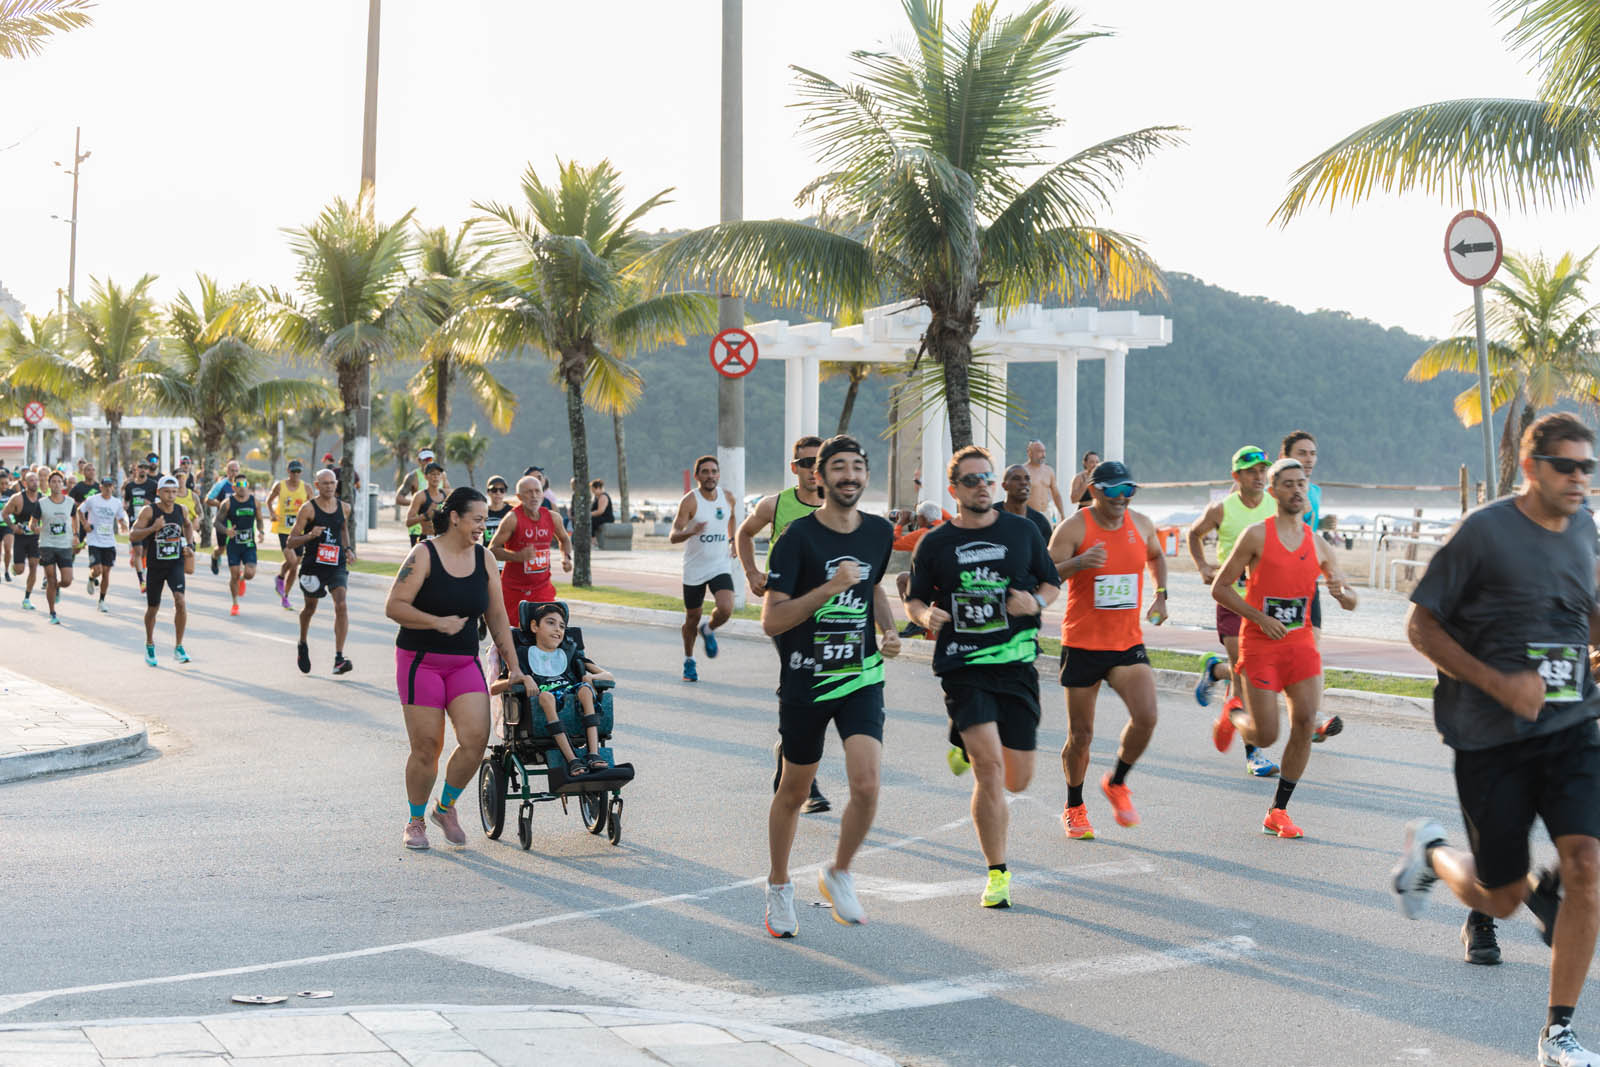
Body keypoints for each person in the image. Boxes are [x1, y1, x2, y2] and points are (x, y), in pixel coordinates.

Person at [1392, 415, 1600, 1055]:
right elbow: (1421, 627)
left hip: (1571, 726)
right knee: (1502, 898)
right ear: (1531, 468)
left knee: (1586, 865)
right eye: (1566, 466)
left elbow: (1586, 607)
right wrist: (1498, 683)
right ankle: (1431, 853)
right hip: (1490, 738)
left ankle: (1558, 1032)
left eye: (1588, 467)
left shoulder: (1584, 526)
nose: (1579, 479)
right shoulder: (1483, 532)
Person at [906, 445, 1060, 909]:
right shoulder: (935, 543)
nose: (982, 486)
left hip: (1016, 664)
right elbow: (914, 599)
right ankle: (997, 873)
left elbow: (1051, 582)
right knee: (989, 769)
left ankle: (962, 741)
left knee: (1018, 780)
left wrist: (1036, 603)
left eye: (986, 478)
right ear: (954, 489)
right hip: (964, 665)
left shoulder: (1023, 531)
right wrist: (925, 616)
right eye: (971, 480)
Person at [761, 434, 900, 937]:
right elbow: (772, 620)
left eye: (857, 467)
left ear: (866, 476)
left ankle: (839, 871)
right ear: (819, 477)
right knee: (794, 789)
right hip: (806, 679)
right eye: (838, 467)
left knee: (867, 783)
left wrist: (888, 629)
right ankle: (779, 885)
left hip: (860, 675)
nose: (849, 476)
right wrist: (829, 588)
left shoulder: (879, 532)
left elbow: (874, 586)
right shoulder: (797, 537)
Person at [1211, 458, 1358, 838]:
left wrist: (1342, 594)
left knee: (1305, 723)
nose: (1296, 490)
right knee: (1265, 736)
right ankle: (1233, 713)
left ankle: (1277, 811)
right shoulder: (1256, 536)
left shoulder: (1319, 544)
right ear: (1273, 491)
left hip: (1300, 646)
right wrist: (1259, 618)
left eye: (1301, 483)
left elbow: (1351, 600)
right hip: (1261, 645)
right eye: (1288, 484)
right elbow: (1220, 588)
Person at [387, 486, 526, 850]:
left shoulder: (485, 559)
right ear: (454, 517)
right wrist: (436, 622)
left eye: (485, 520)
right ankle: (416, 820)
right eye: (477, 519)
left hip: (463, 661)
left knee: (476, 739)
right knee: (427, 747)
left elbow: (497, 615)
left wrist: (514, 666)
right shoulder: (424, 554)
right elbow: (395, 606)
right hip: (420, 662)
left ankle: (445, 807)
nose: (483, 526)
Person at [1047, 460, 1168, 839]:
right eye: (1114, 490)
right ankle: (1074, 806)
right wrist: (1079, 562)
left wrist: (1161, 594)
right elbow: (1044, 574)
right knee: (1081, 735)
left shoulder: (1142, 524)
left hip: (1126, 642)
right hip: (1082, 643)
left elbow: (1156, 556)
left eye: (1129, 490)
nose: (1122, 498)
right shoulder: (1074, 527)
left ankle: (1116, 782)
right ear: (1094, 491)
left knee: (1147, 717)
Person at [737, 435, 833, 816]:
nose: (813, 470)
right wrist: (751, 572)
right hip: (785, 608)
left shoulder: (837, 505)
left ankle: (788, 753)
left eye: (819, 462)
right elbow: (744, 533)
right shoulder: (775, 505)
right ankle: (807, 783)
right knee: (801, 682)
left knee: (819, 689)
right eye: (806, 462)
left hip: (827, 613)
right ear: (794, 467)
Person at [1188, 446, 1282, 777]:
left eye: (1262, 470)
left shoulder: (1275, 505)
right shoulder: (1221, 509)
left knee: (1254, 672)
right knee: (1247, 674)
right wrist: (1203, 567)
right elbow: (1193, 534)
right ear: (1236, 476)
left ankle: (1215, 671)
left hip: (1266, 603)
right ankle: (1254, 753)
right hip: (1232, 599)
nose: (1259, 476)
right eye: (1251, 471)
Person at [519, 602, 615, 777]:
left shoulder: (569, 653)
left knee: (585, 689)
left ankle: (593, 754)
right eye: (551, 623)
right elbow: (498, 686)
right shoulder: (523, 654)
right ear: (534, 626)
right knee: (546, 697)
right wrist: (524, 678)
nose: (558, 629)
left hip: (571, 695)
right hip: (546, 698)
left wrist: (590, 678)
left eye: (562, 626)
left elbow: (608, 676)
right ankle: (572, 760)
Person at [671, 454, 737, 683]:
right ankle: (689, 660)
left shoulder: (728, 497)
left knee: (726, 608)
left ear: (718, 475)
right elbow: (673, 535)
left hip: (720, 564)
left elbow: (731, 518)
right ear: (697, 476)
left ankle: (708, 629)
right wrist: (691, 531)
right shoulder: (690, 501)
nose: (710, 476)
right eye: (705, 472)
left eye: (714, 471)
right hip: (695, 568)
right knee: (692, 617)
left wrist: (732, 540)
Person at [287, 469, 355, 675]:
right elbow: (291, 541)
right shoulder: (308, 509)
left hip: (336, 565)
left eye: (332, 483)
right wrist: (310, 535)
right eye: (325, 483)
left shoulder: (344, 507)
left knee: (341, 605)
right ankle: (302, 643)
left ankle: (339, 658)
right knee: (310, 608)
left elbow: (343, 529)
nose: (329, 487)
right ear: (317, 486)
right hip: (313, 567)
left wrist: (348, 549)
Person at [128, 476, 195, 667]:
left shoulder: (181, 510)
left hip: (175, 563)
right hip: (156, 566)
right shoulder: (149, 511)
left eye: (174, 492)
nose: (171, 495)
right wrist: (153, 528)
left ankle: (179, 647)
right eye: (167, 492)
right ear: (159, 492)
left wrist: (190, 545)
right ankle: (150, 644)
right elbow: (133, 534)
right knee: (153, 609)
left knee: (180, 601)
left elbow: (188, 526)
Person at [489, 473, 572, 626]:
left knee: (544, 628)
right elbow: (492, 549)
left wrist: (566, 558)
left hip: (542, 588)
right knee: (515, 634)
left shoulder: (553, 518)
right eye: (528, 492)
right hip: (514, 590)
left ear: (542, 493)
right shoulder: (512, 519)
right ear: (519, 497)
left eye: (537, 491)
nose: (534, 496)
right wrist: (517, 556)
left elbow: (565, 539)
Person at [891, 501, 949, 638]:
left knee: (902, 578)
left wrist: (900, 523)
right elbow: (943, 513)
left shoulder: (924, 533)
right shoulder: (949, 526)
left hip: (935, 587)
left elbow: (895, 543)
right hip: (950, 583)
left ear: (922, 518)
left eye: (918, 517)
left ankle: (915, 620)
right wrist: (930, 507)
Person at [36, 471, 79, 625]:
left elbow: (74, 517)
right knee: (51, 579)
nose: (56, 484)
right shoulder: (42, 503)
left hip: (64, 544)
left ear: (63, 484)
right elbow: (33, 522)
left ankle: (57, 588)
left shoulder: (70, 502)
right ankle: (52, 612)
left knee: (67, 580)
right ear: (49, 484)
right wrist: (35, 528)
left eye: (59, 481)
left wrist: (76, 534)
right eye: (53, 481)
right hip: (47, 544)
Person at [267, 459, 309, 610]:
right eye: (293, 471)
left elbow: (312, 506)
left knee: (295, 564)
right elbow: (269, 501)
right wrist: (272, 513)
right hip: (284, 530)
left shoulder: (306, 488)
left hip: (300, 531)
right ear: (288, 471)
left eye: (298, 471)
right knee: (292, 561)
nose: (296, 474)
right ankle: (281, 582)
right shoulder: (280, 486)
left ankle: (284, 593)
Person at [81, 476, 127, 613]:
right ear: (100, 487)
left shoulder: (116, 502)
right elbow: (79, 510)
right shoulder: (92, 500)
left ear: (113, 487)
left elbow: (120, 517)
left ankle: (101, 601)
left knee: (106, 572)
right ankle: (91, 577)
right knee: (98, 570)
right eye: (105, 486)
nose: (108, 488)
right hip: (94, 540)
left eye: (110, 486)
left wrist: (123, 524)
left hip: (109, 542)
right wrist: (85, 524)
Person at [219, 476, 263, 617]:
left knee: (250, 574)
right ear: (234, 487)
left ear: (247, 485)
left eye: (244, 483)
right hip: (234, 545)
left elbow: (260, 519)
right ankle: (235, 603)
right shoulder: (227, 503)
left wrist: (261, 532)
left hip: (249, 544)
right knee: (234, 575)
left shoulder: (254, 502)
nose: (242, 487)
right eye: (239, 484)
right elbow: (217, 522)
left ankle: (242, 580)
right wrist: (226, 531)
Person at [3, 469, 42, 609]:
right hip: (20, 537)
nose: (34, 483)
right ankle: (14, 568)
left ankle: (27, 598)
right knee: (20, 570)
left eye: (36, 480)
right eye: (31, 480)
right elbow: (5, 513)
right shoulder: (17, 498)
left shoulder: (43, 499)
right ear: (25, 483)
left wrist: (42, 528)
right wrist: (13, 527)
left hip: (35, 538)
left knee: (33, 566)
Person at [123, 460, 156, 592]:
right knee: (138, 551)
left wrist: (149, 504)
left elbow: (158, 502)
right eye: (140, 467)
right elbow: (126, 501)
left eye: (145, 467)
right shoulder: (130, 486)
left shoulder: (153, 485)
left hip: (148, 524)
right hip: (135, 523)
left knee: (145, 553)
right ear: (135, 469)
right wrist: (126, 508)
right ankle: (142, 580)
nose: (143, 469)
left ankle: (145, 572)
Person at [401, 448, 446, 545]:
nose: (436, 477)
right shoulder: (413, 478)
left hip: (442, 538)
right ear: (419, 461)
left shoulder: (445, 493)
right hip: (419, 532)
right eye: (433, 474)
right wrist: (424, 512)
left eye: (438, 474)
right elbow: (399, 499)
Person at [1000, 464, 1054, 544]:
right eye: (1016, 478)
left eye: (1027, 479)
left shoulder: (1040, 522)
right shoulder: (992, 516)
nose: (1024, 482)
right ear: (1004, 486)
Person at [205, 459, 242, 574]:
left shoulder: (242, 484)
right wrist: (221, 504)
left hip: (238, 520)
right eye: (232, 470)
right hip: (222, 520)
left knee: (240, 545)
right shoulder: (221, 484)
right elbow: (208, 500)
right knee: (222, 548)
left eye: (236, 471)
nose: (234, 473)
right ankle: (215, 557)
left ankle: (238, 573)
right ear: (227, 471)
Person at [1024, 440, 1066, 520]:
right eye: (1039, 451)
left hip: (1045, 514)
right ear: (1030, 453)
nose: (1043, 455)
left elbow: (1056, 494)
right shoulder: (1024, 470)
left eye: (1044, 451)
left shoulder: (1049, 470)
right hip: (1029, 514)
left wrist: (1062, 514)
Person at [0, 468, 15, 582]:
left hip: (8, 524)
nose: (4, 486)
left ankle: (6, 571)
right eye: (2, 483)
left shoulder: (11, 494)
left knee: (8, 548)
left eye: (6, 483)